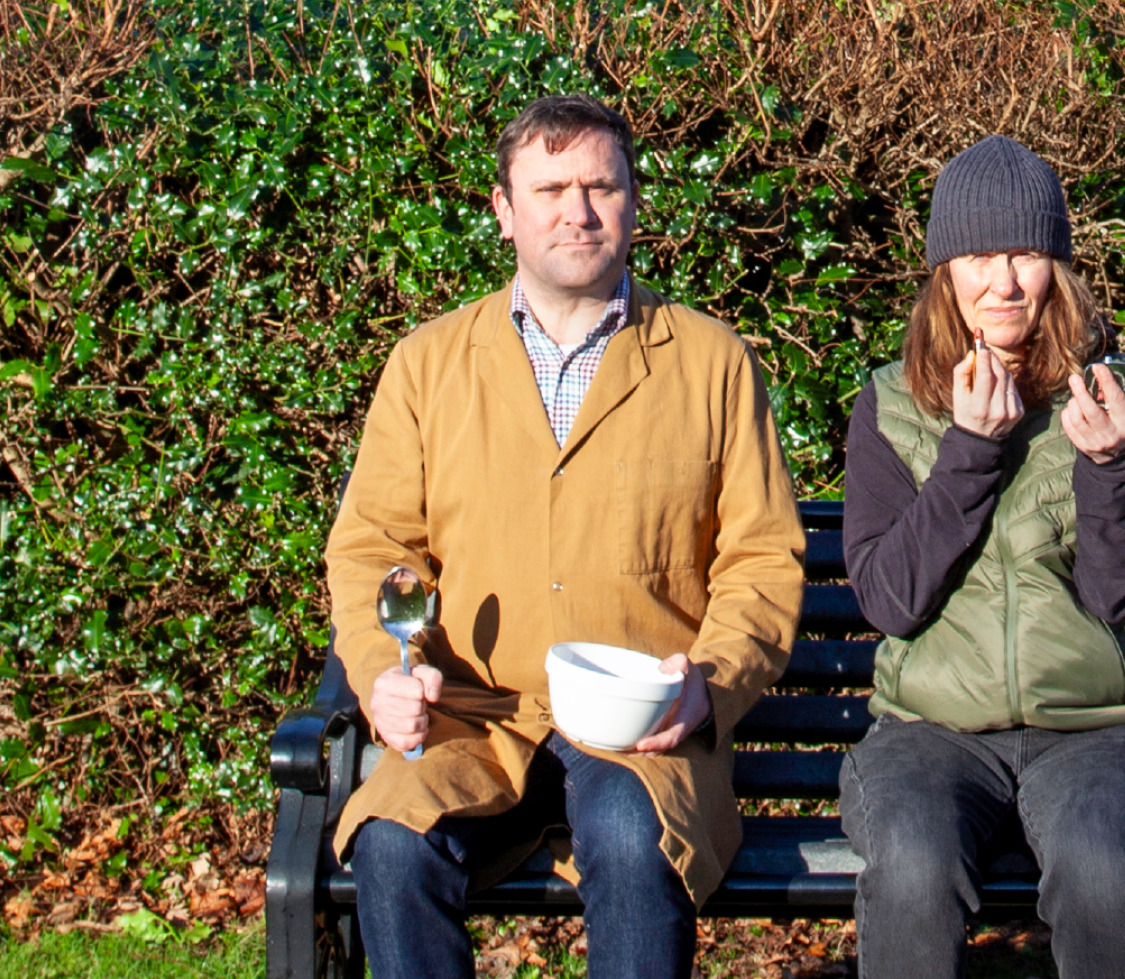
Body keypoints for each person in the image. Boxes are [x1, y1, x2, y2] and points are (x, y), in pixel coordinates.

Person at [322, 93, 804, 979]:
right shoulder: (428, 364)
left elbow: (762, 557)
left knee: (630, 835)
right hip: (473, 716)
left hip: (641, 724)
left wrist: (710, 683)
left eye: (601, 186)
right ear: (505, 211)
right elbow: (374, 547)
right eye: (550, 189)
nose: (578, 211)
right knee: (391, 840)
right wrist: (382, 672)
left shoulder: (711, 360)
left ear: (633, 202)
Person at [838, 135, 1125, 979]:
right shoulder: (889, 404)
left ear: (1058, 265)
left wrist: (1110, 468)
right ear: (944, 273)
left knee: (1101, 871)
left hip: (1100, 732)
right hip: (930, 732)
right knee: (913, 869)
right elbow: (889, 600)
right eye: (978, 256)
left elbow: (1119, 597)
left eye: (1025, 254)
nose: (1002, 283)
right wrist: (968, 451)